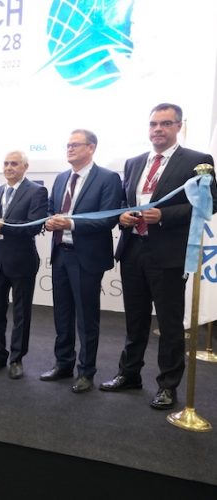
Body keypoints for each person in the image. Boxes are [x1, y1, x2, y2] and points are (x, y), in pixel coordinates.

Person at [100, 103, 217, 410]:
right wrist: (124, 216)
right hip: (133, 249)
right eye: (153, 124)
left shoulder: (197, 161)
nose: (158, 129)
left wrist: (164, 215)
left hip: (168, 254)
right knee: (135, 319)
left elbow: (208, 205)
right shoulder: (134, 162)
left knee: (169, 323)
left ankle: (167, 385)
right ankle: (129, 374)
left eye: (165, 124)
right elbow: (126, 201)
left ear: (179, 126)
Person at [40, 129, 121, 393]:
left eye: (75, 145)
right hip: (61, 253)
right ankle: (63, 364)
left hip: (87, 257)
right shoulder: (61, 177)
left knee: (86, 318)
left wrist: (71, 223)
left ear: (91, 148)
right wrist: (50, 220)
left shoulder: (108, 178)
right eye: (68, 145)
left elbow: (108, 218)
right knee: (62, 314)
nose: (70, 149)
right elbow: (51, 209)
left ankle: (86, 371)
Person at [0, 151, 48, 379]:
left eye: (14, 164)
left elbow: (34, 226)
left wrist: (3, 225)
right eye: (6, 163)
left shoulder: (37, 191)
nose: (9, 167)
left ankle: (17, 359)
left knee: (21, 314)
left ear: (25, 167)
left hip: (22, 261)